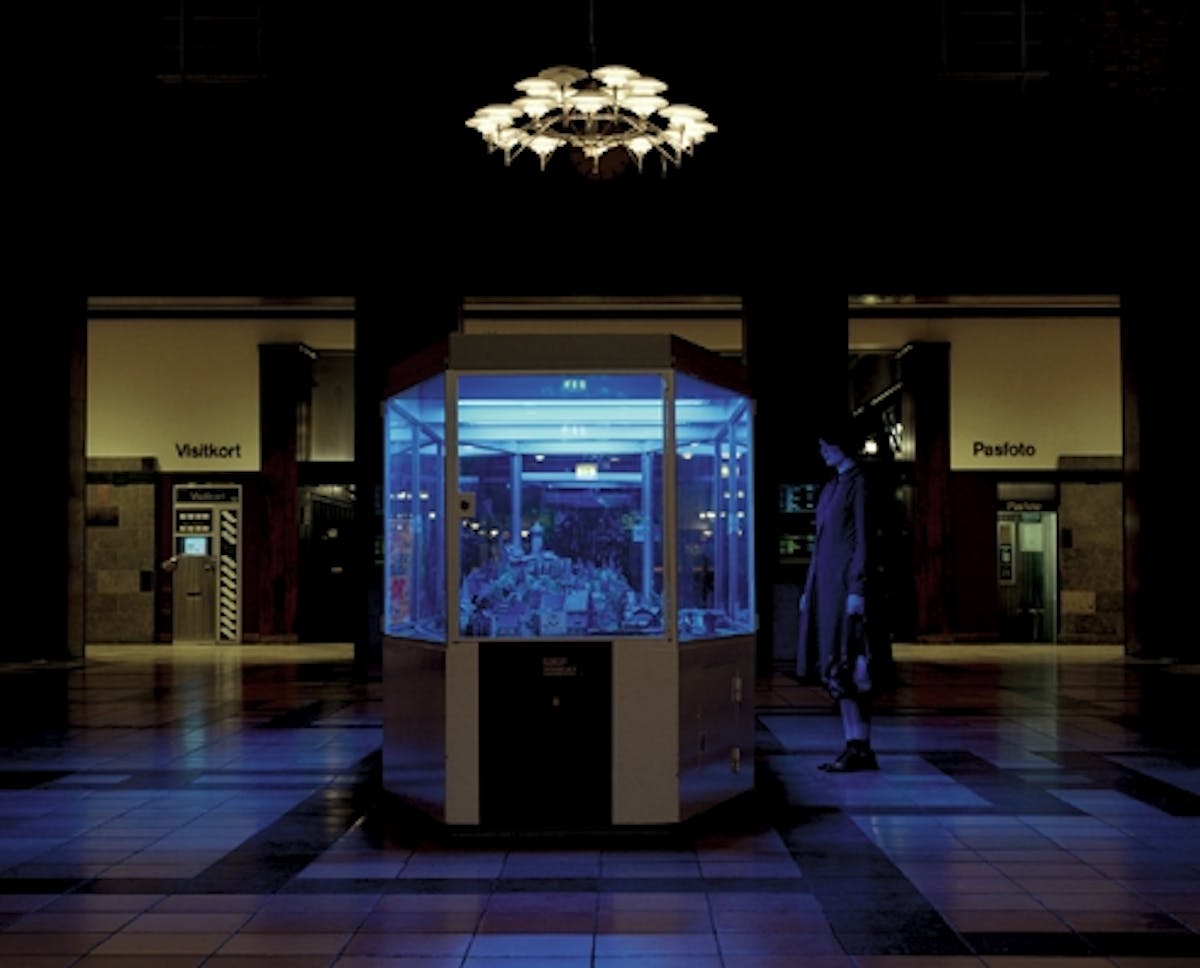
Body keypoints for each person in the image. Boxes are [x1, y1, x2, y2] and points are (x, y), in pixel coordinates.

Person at [797, 414, 879, 772]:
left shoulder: (857, 483)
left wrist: (857, 587)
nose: (823, 452)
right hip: (829, 586)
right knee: (836, 665)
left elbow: (863, 539)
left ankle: (859, 745)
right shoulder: (835, 485)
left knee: (848, 662)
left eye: (827, 445)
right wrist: (810, 587)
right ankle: (854, 744)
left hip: (844, 586)